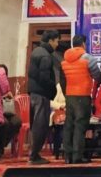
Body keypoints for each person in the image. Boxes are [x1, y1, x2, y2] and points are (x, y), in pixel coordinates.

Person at [62, 35, 101, 164]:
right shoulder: (88, 58)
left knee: (69, 125)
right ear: (83, 44)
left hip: (69, 95)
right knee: (80, 126)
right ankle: (77, 156)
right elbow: (98, 76)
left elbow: (63, 80)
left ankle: (67, 156)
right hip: (83, 95)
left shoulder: (65, 59)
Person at [28, 30, 60, 164]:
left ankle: (34, 154)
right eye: (57, 41)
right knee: (40, 125)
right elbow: (44, 78)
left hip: (34, 93)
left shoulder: (36, 51)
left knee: (35, 124)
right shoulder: (45, 55)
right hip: (41, 94)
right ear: (51, 40)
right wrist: (54, 88)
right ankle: (34, 156)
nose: (57, 44)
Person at [0, 64, 22, 159]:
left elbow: (10, 100)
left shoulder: (6, 85)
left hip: (6, 111)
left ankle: (4, 142)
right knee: (4, 123)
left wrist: (8, 97)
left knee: (17, 121)